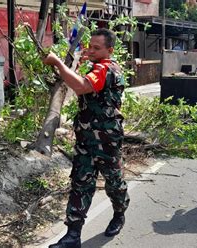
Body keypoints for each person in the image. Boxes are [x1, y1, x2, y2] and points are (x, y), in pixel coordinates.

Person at [43, 28, 130, 248]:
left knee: (114, 183)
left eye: (96, 48)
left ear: (109, 50)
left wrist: (58, 64)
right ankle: (73, 235)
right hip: (86, 140)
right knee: (80, 184)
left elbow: (81, 87)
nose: (90, 50)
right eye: (89, 46)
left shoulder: (105, 68)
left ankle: (119, 214)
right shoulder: (95, 67)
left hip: (106, 141)